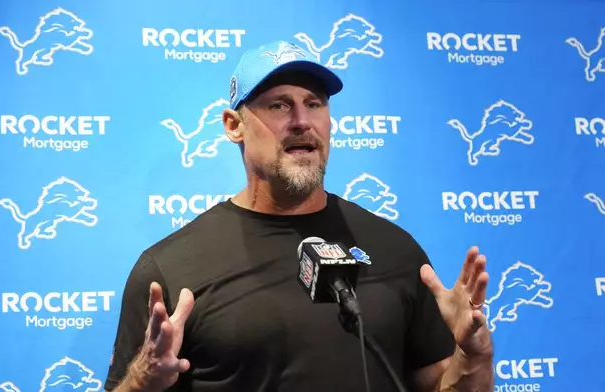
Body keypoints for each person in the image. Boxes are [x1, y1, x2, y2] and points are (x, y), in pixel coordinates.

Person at [104, 40, 495, 392]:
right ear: (233, 126)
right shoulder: (170, 269)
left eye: (314, 103)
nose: (301, 121)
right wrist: (142, 380)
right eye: (279, 105)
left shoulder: (395, 250)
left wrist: (472, 356)